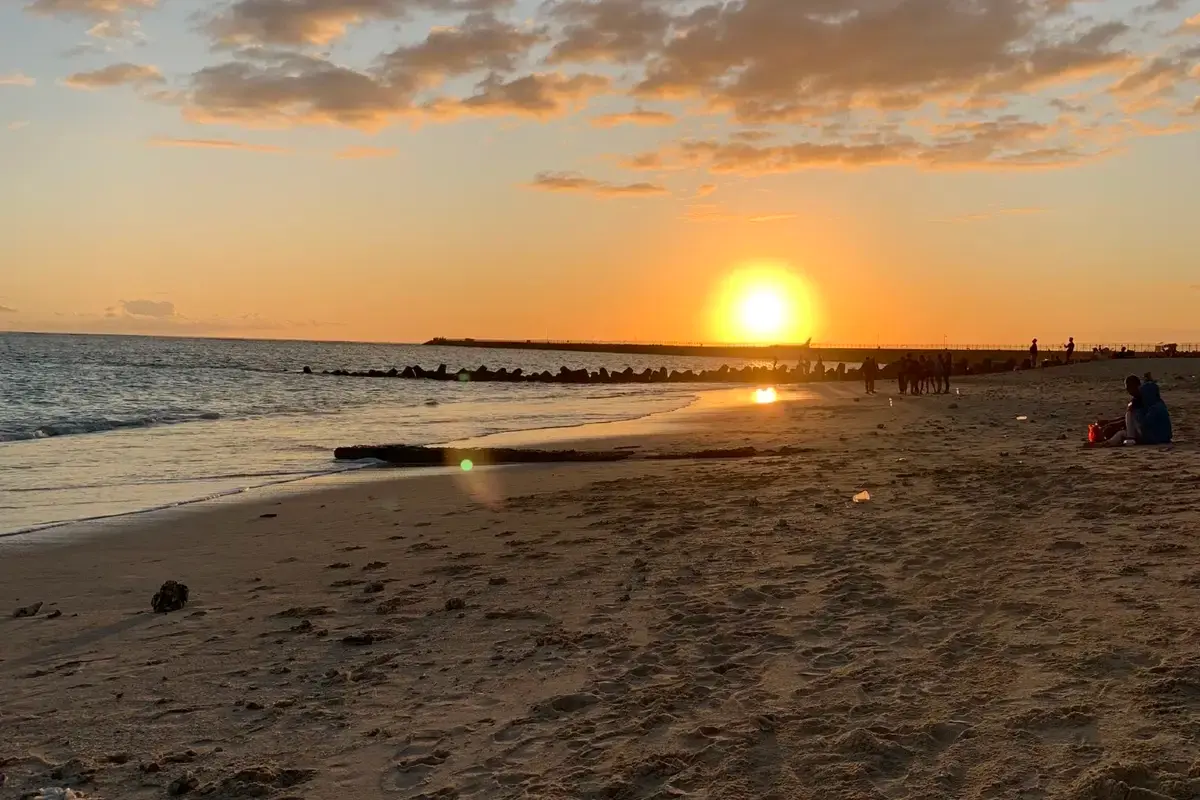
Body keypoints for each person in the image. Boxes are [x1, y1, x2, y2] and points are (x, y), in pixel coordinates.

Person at [1094, 374, 1173, 446]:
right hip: (1163, 438)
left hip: (1154, 438)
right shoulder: (1158, 404)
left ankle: (1125, 439)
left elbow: (1144, 423)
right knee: (1122, 429)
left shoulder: (1152, 406)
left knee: (1123, 430)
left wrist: (1114, 423)